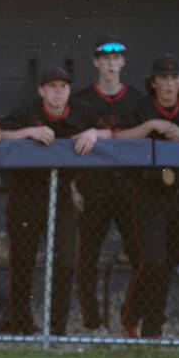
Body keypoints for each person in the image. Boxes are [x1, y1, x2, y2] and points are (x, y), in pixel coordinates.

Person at [0, 65, 111, 335]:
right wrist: (28, 133)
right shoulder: (27, 111)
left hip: (62, 190)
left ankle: (56, 330)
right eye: (52, 86)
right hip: (26, 191)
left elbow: (109, 132)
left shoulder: (82, 111)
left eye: (63, 86)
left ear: (70, 90)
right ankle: (22, 328)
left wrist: (93, 133)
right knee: (22, 260)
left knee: (65, 259)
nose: (58, 91)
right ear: (42, 90)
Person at [114, 54, 179, 338]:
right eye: (164, 78)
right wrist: (149, 127)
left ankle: (152, 331)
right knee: (154, 262)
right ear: (154, 82)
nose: (169, 84)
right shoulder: (141, 108)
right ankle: (131, 314)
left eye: (175, 79)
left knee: (168, 264)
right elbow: (118, 138)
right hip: (149, 193)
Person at [72, 37, 143, 334]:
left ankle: (132, 319)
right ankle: (92, 325)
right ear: (96, 62)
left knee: (143, 258)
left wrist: (104, 133)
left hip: (130, 188)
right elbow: (70, 146)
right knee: (86, 259)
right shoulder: (82, 100)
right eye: (105, 58)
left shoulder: (138, 100)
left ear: (123, 62)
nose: (111, 63)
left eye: (116, 58)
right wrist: (73, 186)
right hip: (94, 189)